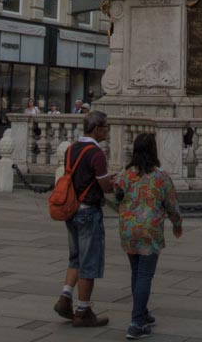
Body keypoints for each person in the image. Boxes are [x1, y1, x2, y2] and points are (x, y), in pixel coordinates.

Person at [113, 132, 182, 339]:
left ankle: (142, 312)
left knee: (136, 273)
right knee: (144, 275)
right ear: (154, 150)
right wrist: (177, 224)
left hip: (128, 228)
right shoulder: (161, 176)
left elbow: (117, 196)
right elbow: (172, 205)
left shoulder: (125, 174)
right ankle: (136, 322)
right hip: (149, 230)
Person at [53, 110, 113, 327]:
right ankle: (83, 310)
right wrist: (113, 184)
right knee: (89, 262)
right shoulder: (96, 153)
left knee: (75, 257)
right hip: (88, 211)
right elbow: (104, 185)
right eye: (105, 126)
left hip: (72, 208)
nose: (107, 130)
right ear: (96, 129)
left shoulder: (72, 148)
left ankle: (65, 297)